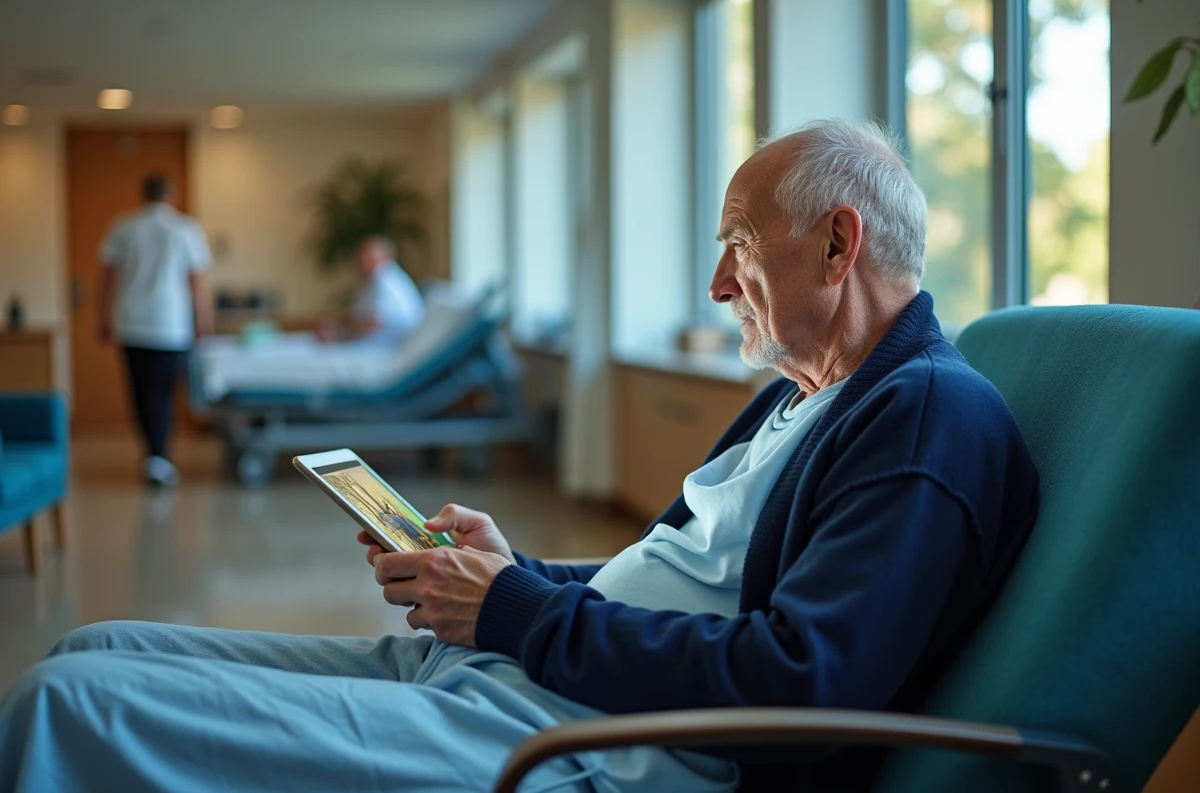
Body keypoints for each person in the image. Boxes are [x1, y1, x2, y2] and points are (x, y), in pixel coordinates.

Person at [0, 121, 1038, 791]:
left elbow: (801, 685)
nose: (721, 285)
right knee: (91, 647)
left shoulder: (923, 420)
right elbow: (680, 585)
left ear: (836, 245)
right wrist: (515, 573)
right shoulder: (806, 397)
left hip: (578, 746)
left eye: (736, 243)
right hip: (517, 677)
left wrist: (514, 611)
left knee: (66, 707)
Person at [97, 172, 212, 487]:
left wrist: (101, 318)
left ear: (142, 195)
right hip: (171, 326)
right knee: (162, 393)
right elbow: (196, 282)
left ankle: (153, 455)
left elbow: (107, 277)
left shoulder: (123, 227)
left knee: (138, 392)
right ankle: (158, 457)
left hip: (131, 323)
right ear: (171, 195)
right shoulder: (185, 228)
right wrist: (202, 320)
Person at [315, 235, 424, 343]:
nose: (358, 261)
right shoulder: (372, 280)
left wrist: (339, 335)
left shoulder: (385, 279)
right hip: (378, 345)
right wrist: (338, 328)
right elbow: (360, 317)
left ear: (382, 257)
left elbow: (374, 323)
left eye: (364, 256)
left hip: (386, 347)